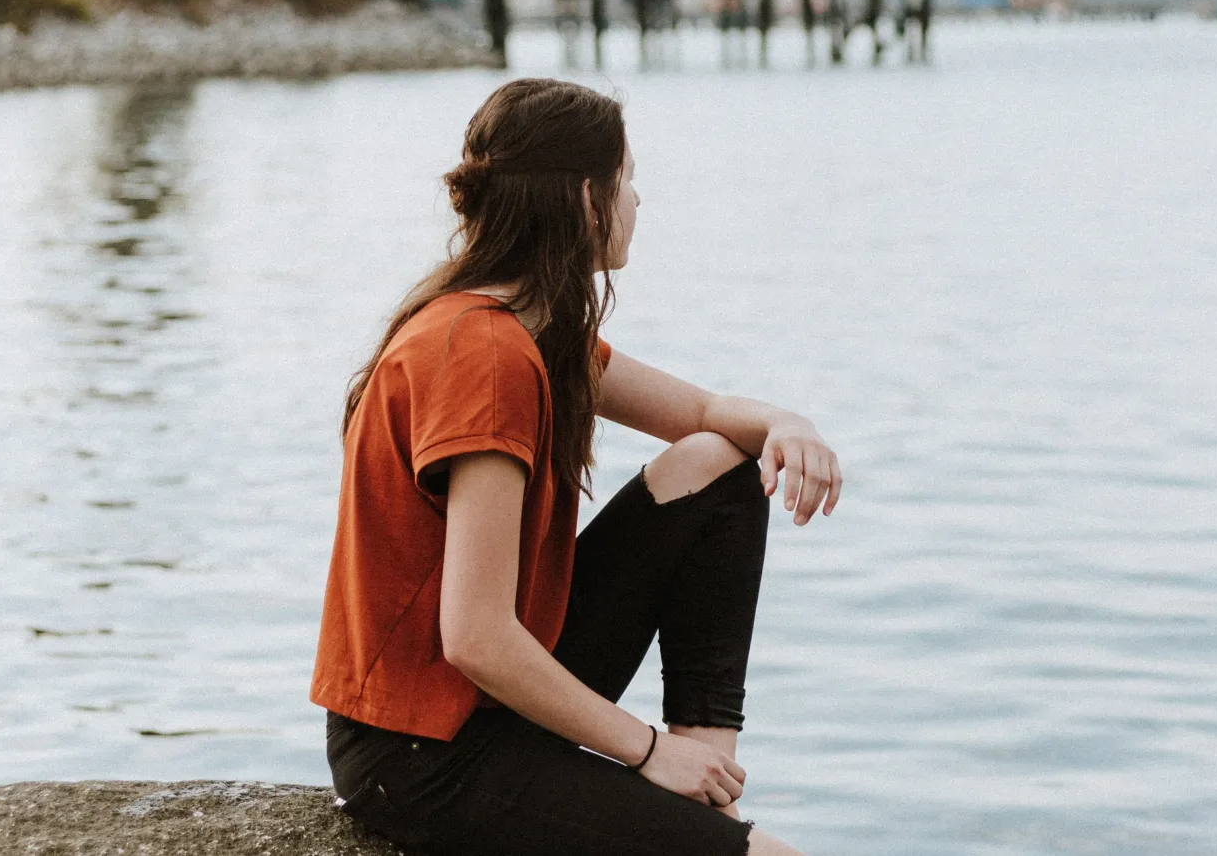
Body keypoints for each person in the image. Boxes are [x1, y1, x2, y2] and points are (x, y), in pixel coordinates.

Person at [311, 78, 841, 856]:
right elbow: (476, 637)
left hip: (484, 700)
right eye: (626, 182)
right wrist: (648, 750)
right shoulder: (483, 356)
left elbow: (699, 418)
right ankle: (701, 803)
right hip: (425, 750)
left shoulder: (532, 330)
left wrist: (788, 424)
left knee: (720, 467)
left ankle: (712, 786)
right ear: (586, 201)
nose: (638, 201)